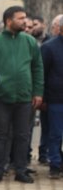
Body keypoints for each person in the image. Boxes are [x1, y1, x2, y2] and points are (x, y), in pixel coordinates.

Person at [0, 6, 43, 183]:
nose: (25, 21)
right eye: (21, 18)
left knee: (23, 135)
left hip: (25, 98)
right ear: (9, 21)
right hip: (0, 98)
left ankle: (21, 170)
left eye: (25, 18)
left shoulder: (30, 42)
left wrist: (38, 92)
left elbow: (38, 68)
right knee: (0, 135)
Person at [41, 23, 63, 178]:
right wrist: (41, 97)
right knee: (55, 134)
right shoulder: (49, 47)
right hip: (56, 98)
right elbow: (42, 74)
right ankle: (55, 164)